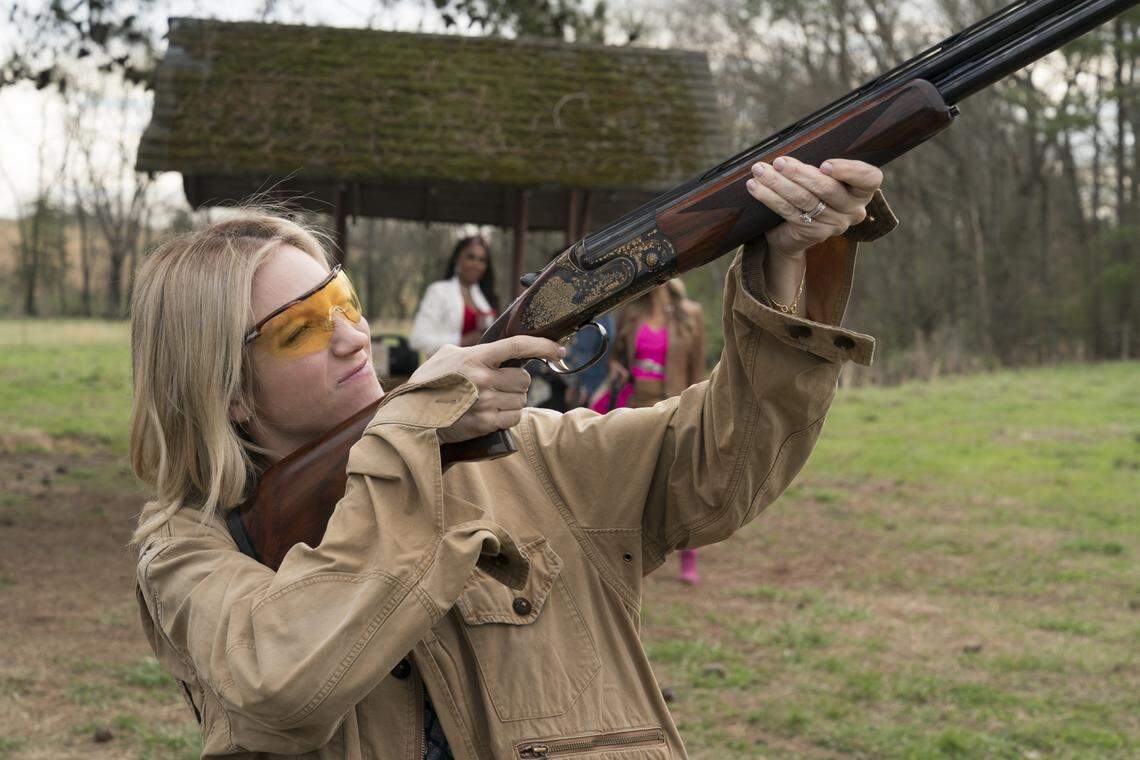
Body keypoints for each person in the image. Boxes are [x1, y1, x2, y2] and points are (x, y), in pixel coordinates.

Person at [130, 155, 893, 760]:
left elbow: (718, 474)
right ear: (225, 389)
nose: (354, 337)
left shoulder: (522, 452)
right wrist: (412, 437)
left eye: (346, 302)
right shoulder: (188, 552)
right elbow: (284, 684)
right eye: (302, 328)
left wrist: (785, 269)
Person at [591, 278, 707, 583]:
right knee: (627, 478)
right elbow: (616, 355)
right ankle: (622, 551)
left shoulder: (689, 313)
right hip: (633, 403)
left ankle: (689, 555)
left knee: (679, 479)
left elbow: (696, 370)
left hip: (671, 403)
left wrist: (695, 408)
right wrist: (615, 366)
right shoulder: (631, 311)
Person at [409, 235, 499, 357]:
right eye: (471, 257)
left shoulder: (486, 299)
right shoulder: (438, 291)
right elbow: (418, 340)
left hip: (480, 372)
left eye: (482, 260)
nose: (476, 264)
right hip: (445, 371)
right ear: (458, 259)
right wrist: (462, 341)